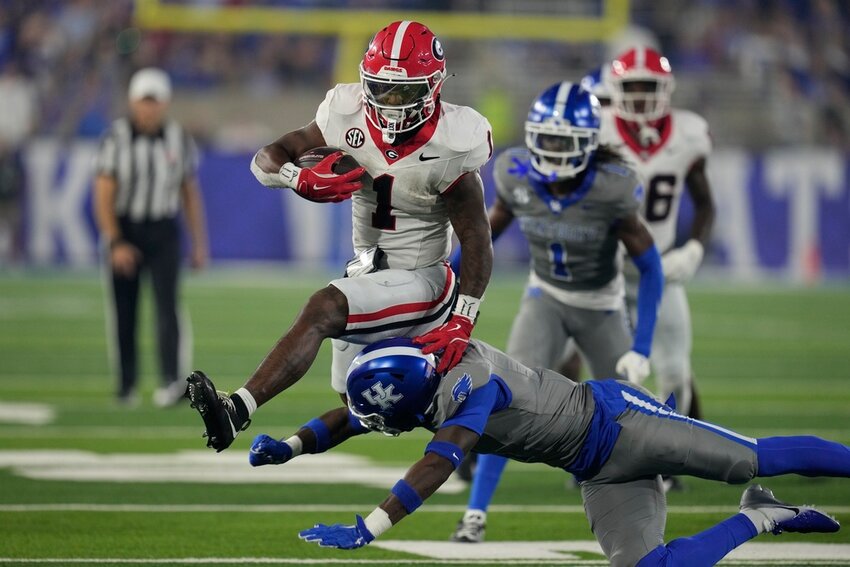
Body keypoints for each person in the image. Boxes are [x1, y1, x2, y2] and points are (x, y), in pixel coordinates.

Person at [249, 337, 845, 567]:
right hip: (598, 471)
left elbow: (437, 464)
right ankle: (762, 515)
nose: (376, 424)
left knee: (756, 455)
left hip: (625, 422)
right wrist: (292, 446)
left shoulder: (469, 383)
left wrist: (370, 526)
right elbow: (353, 418)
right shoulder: (420, 379)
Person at [185, 20, 494, 452]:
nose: (388, 102)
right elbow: (265, 159)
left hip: (423, 279)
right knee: (361, 404)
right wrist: (296, 178)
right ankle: (470, 434)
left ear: (433, 87)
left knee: (323, 307)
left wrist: (463, 318)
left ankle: (235, 409)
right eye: (379, 87)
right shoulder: (344, 111)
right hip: (368, 271)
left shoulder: (454, 140)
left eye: (402, 92)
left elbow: (477, 238)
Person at [448, 81, 664, 543]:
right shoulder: (517, 176)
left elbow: (651, 267)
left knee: (637, 412)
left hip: (600, 307)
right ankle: (475, 515)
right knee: (504, 397)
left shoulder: (613, 189)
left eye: (561, 142)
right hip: (544, 297)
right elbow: (480, 239)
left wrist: (642, 345)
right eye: (544, 139)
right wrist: (443, 280)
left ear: (586, 143)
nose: (549, 151)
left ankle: (659, 485)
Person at [602, 46, 716, 421]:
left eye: (646, 86)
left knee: (675, 371)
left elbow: (704, 203)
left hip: (661, 268)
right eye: (631, 86)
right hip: (607, 271)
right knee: (601, 369)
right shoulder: (597, 129)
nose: (638, 96)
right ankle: (597, 456)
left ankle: (672, 462)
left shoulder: (688, 134)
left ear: (665, 88)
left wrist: (694, 249)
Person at [93, 67, 209, 407]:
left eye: (154, 101)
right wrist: (115, 241)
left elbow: (190, 192)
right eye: (144, 101)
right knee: (124, 311)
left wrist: (199, 243)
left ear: (165, 103)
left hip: (163, 229)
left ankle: (172, 382)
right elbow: (103, 193)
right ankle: (126, 385)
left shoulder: (178, 137)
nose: (149, 108)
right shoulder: (115, 138)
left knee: (167, 308)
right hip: (126, 227)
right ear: (132, 102)